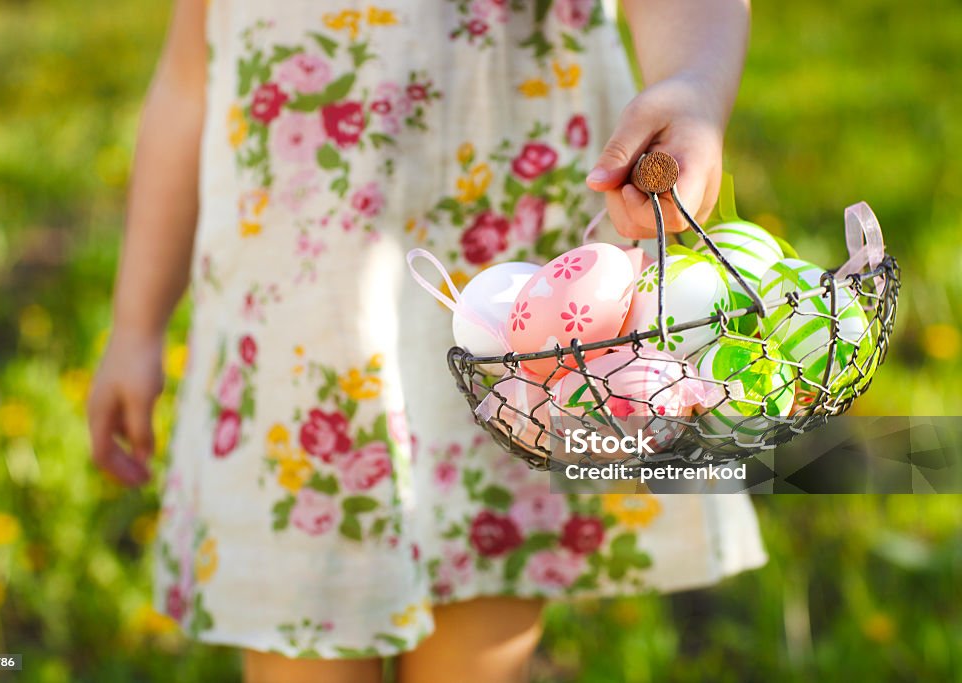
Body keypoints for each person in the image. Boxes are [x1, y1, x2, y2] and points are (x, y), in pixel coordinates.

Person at [87, 1, 765, 681]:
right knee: (302, 639)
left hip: (517, 307)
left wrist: (691, 89)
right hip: (301, 323)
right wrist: (136, 324)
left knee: (480, 612)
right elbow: (188, 78)